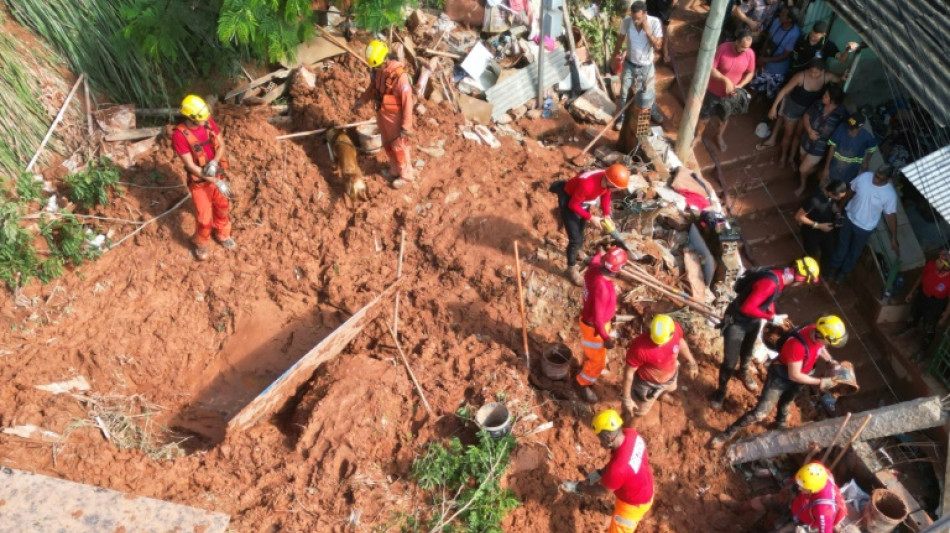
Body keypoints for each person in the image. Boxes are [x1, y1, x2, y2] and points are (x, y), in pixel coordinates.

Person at [710, 316, 848, 449]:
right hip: (780, 378)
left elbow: (820, 348)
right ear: (820, 335)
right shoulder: (797, 345)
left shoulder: (815, 331)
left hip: (800, 377)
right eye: (828, 341)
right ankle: (726, 434)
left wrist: (830, 361)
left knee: (786, 403)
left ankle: (779, 424)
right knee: (759, 413)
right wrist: (821, 382)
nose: (827, 345)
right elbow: (794, 375)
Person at [711, 256, 820, 409]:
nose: (802, 285)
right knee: (730, 361)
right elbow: (747, 307)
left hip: (753, 320)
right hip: (737, 321)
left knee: (747, 350)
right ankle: (721, 390)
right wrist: (771, 317)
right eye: (805, 282)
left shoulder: (780, 276)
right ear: (801, 278)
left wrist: (773, 314)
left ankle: (743, 372)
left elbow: (770, 300)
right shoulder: (770, 283)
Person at [172, 94, 234, 261]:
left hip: (216, 173)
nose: (205, 120)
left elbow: (221, 145)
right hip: (199, 182)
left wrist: (214, 162)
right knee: (204, 217)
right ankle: (201, 242)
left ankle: (222, 234)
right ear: (191, 117)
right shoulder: (179, 135)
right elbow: (191, 166)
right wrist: (216, 181)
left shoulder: (207, 121)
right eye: (201, 119)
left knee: (222, 206)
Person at [571, 409, 655, 533]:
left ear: (608, 437)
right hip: (647, 489)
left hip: (631, 506)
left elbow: (602, 491)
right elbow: (620, 460)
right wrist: (599, 474)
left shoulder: (618, 469)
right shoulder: (632, 435)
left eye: (599, 437)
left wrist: (578, 487)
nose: (600, 442)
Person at [549, 164, 631, 285]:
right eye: (617, 187)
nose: (618, 190)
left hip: (583, 201)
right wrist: (591, 218)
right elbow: (572, 205)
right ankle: (570, 269)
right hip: (570, 200)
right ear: (610, 182)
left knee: (581, 229)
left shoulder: (606, 179)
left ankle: (579, 253)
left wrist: (606, 214)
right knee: (575, 239)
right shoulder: (588, 185)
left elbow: (606, 194)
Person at [757, 59, 841, 168]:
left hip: (808, 110)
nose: (813, 74)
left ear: (822, 71)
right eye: (811, 71)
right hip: (793, 108)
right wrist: (774, 107)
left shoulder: (826, 77)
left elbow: (840, 78)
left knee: (798, 135)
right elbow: (784, 91)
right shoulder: (800, 76)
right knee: (788, 134)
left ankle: (791, 158)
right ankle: (783, 156)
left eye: (816, 72)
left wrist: (844, 76)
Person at [352, 40, 415, 189]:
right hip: (382, 113)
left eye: (377, 66)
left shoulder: (400, 76)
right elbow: (372, 87)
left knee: (399, 147)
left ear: (386, 59)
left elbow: (408, 101)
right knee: (387, 144)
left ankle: (405, 175)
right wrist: (363, 100)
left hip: (395, 118)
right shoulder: (378, 70)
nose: (376, 69)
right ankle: (394, 170)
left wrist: (406, 125)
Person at [827, 165, 899, 284]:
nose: (875, 179)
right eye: (876, 175)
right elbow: (850, 191)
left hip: (865, 228)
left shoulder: (890, 195)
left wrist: (893, 238)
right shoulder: (865, 177)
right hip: (849, 218)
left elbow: (891, 216)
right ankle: (833, 269)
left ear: (888, 179)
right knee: (842, 246)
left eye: (880, 178)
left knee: (854, 252)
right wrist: (840, 207)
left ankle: (843, 273)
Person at [576, 247, 629, 403]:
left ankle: (588, 366)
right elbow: (598, 320)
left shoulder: (594, 269)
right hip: (595, 329)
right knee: (597, 361)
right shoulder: (602, 289)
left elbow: (595, 259)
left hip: (591, 322)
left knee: (593, 354)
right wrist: (606, 338)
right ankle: (583, 383)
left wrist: (600, 252)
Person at [622, 314, 698, 418]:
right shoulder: (639, 348)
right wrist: (626, 398)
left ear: (672, 333)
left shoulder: (675, 329)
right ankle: (631, 423)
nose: (659, 345)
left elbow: (680, 343)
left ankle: (662, 395)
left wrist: (692, 362)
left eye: (662, 342)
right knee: (639, 412)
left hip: (671, 376)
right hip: (648, 385)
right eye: (655, 341)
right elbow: (629, 372)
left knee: (671, 388)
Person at [693, 28, 756, 153]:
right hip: (713, 91)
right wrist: (725, 80)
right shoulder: (723, 48)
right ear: (736, 42)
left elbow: (750, 72)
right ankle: (698, 136)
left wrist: (740, 85)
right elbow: (711, 69)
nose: (745, 50)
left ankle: (719, 136)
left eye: (748, 47)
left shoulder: (749, 53)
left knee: (724, 118)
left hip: (731, 95)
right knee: (705, 116)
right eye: (743, 47)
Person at [612, 1, 665, 130]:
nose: (635, 21)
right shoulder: (627, 22)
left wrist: (648, 32)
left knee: (648, 93)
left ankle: (652, 111)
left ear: (645, 14)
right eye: (633, 18)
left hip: (646, 67)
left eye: (638, 18)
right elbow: (620, 39)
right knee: (624, 92)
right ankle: (622, 117)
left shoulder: (654, 23)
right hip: (629, 64)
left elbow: (658, 46)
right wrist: (614, 56)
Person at [795, 84, 849, 196]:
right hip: (807, 140)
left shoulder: (841, 114)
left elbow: (844, 132)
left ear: (832, 101)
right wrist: (810, 130)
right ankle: (809, 175)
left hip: (820, 147)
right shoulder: (818, 104)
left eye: (826, 96)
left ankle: (803, 185)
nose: (823, 96)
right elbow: (806, 116)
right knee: (802, 160)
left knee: (803, 169)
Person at [778, 462, 847, 533]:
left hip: (823, 517)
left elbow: (826, 531)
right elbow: (802, 474)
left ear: (812, 489)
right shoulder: (817, 470)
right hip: (810, 506)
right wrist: (791, 481)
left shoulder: (822, 510)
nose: (799, 488)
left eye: (803, 487)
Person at [748, 7, 800, 100]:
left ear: (789, 20)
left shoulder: (794, 33)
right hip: (765, 62)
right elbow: (768, 39)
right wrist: (762, 56)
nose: (780, 15)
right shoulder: (777, 21)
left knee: (769, 95)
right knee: (754, 87)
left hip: (778, 70)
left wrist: (765, 60)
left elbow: (785, 55)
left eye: (783, 14)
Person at [794, 181, 849, 270]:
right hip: (811, 232)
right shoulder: (814, 200)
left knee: (829, 252)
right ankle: (801, 270)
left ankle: (823, 272)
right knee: (811, 256)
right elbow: (798, 216)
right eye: (839, 197)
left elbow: (832, 204)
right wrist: (818, 226)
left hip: (826, 230)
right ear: (831, 193)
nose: (840, 199)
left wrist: (838, 214)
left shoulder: (830, 195)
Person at [905, 251, 950, 348]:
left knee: (929, 325)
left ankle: (924, 347)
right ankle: (909, 328)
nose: (936, 261)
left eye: (940, 261)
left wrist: (944, 317)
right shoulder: (930, 265)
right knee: (914, 314)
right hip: (922, 295)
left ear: (946, 268)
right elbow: (921, 277)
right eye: (939, 259)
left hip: (936, 303)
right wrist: (911, 292)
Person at [821, 114, 878, 186]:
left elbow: (872, 148)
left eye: (852, 128)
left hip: (850, 173)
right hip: (833, 168)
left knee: (841, 189)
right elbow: (832, 147)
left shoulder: (866, 137)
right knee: (824, 185)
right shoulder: (842, 128)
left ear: (860, 127)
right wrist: (826, 168)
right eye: (849, 127)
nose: (849, 130)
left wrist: (866, 161)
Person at [787, 20, 858, 76]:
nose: (812, 38)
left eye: (815, 37)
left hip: (812, 76)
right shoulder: (802, 39)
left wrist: (848, 50)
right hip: (797, 72)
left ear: (824, 34)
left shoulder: (828, 45)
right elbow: (795, 54)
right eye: (811, 34)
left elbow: (842, 59)